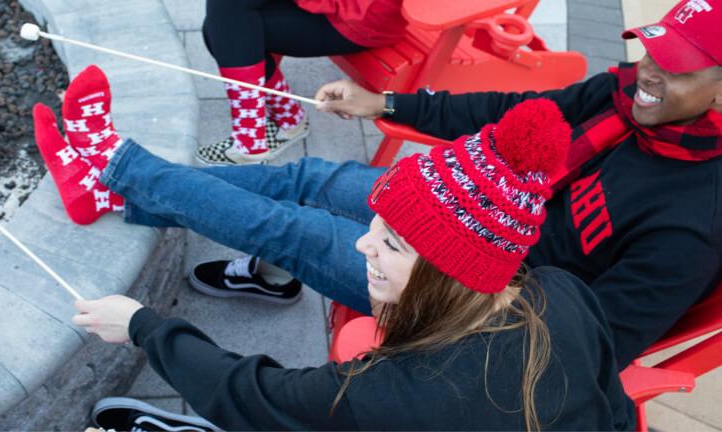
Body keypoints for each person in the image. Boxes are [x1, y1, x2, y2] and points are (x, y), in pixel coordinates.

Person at [45, 89, 634, 430]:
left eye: (391, 243)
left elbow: (250, 395)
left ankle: (114, 169)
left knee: (293, 231)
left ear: (449, 273)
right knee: (314, 188)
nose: (361, 243)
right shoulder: (562, 291)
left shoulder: (392, 394)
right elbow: (616, 413)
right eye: (377, 227)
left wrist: (143, 326)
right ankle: (110, 183)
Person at [193, 0, 722, 369]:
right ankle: (125, 179)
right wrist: (387, 102)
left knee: (293, 226)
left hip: (479, 298)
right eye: (653, 49)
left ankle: (119, 180)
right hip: (477, 211)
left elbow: (590, 343)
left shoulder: (696, 222)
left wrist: (439, 339)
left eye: (676, 67)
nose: (648, 71)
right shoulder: (621, 93)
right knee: (312, 179)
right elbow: (509, 112)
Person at [196, 0, 406, 165]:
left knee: (225, 27)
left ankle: (252, 139)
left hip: (357, 15)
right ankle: (286, 120)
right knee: (223, 27)